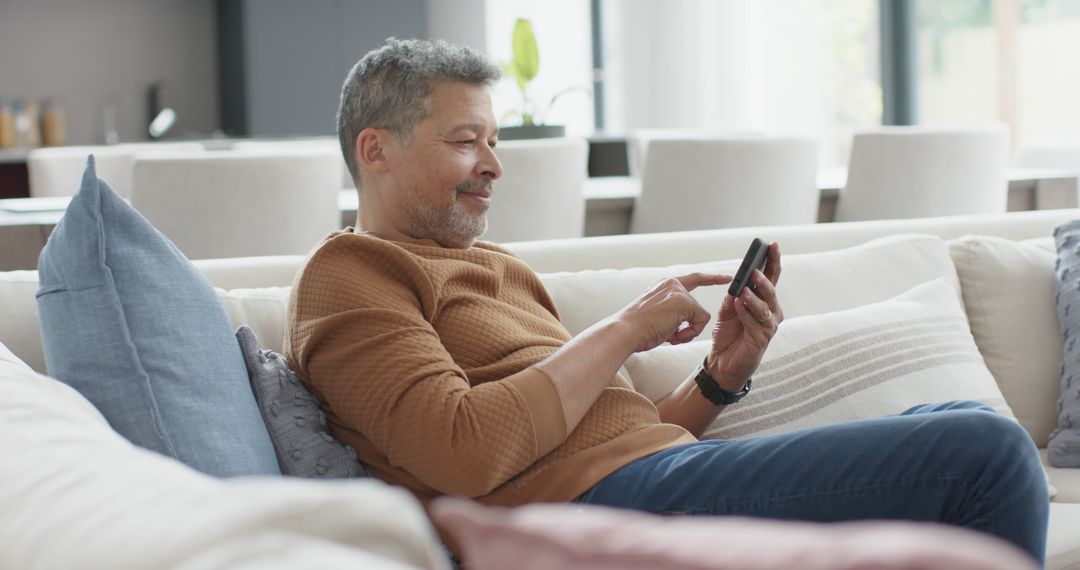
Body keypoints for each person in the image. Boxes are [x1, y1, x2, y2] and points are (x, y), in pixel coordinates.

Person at [285, 37, 1049, 564]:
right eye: (465, 141)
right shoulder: (349, 273)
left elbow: (608, 438)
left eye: (495, 141)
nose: (493, 166)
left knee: (965, 422)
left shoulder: (497, 267)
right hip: (590, 518)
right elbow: (461, 451)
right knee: (987, 455)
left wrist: (719, 376)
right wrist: (626, 328)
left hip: (656, 479)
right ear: (374, 150)